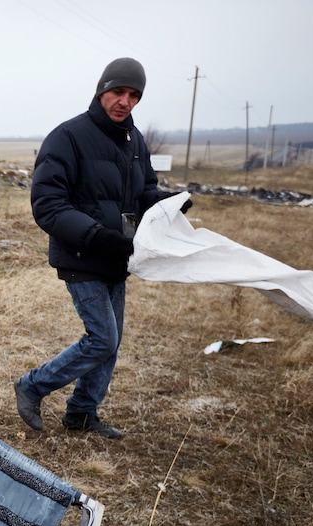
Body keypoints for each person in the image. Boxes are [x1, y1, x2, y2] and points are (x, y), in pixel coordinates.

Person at [13, 57, 190, 439]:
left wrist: (167, 202)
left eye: (133, 95)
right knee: (102, 339)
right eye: (117, 92)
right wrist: (94, 235)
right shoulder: (68, 136)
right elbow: (47, 203)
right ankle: (32, 386)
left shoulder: (134, 140)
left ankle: (81, 413)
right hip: (81, 254)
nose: (124, 101)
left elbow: (141, 194)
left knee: (111, 343)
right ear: (101, 91)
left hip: (118, 256)